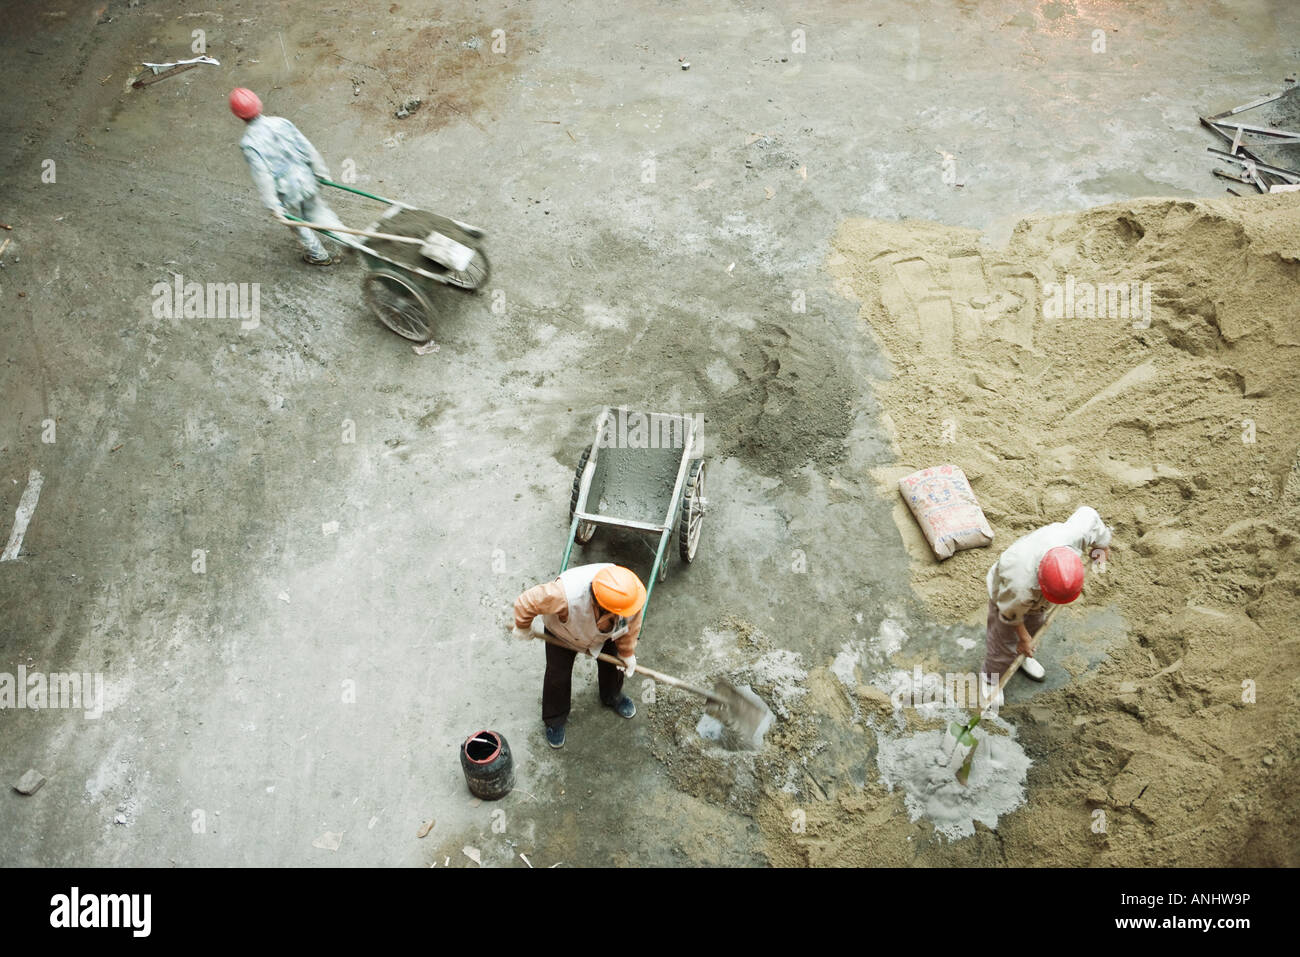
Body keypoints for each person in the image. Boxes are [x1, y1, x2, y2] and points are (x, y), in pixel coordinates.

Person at [981, 506, 1113, 705]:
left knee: (1036, 624)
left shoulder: (1074, 535)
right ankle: (990, 678)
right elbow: (1010, 615)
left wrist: (1101, 549)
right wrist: (1023, 638)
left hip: (1036, 597)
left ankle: (1023, 657)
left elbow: (1090, 516)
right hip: (1005, 596)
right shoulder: (1019, 585)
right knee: (1004, 640)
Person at [511, 564, 645, 749]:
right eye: (616, 613)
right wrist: (522, 625)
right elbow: (528, 601)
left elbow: (630, 625)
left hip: (605, 634)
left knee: (615, 665)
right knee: (558, 676)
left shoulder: (629, 596)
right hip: (563, 632)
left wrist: (627, 653)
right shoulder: (565, 595)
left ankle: (612, 695)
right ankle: (555, 719)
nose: (623, 615)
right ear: (600, 606)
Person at [229, 87, 344, 265]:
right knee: (319, 212)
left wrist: (273, 206)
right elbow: (307, 148)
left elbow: (263, 177)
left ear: (238, 115)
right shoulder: (281, 122)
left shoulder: (249, 143)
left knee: (298, 224)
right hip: (306, 179)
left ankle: (318, 255)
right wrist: (321, 172)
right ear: (259, 104)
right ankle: (348, 240)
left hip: (287, 191)